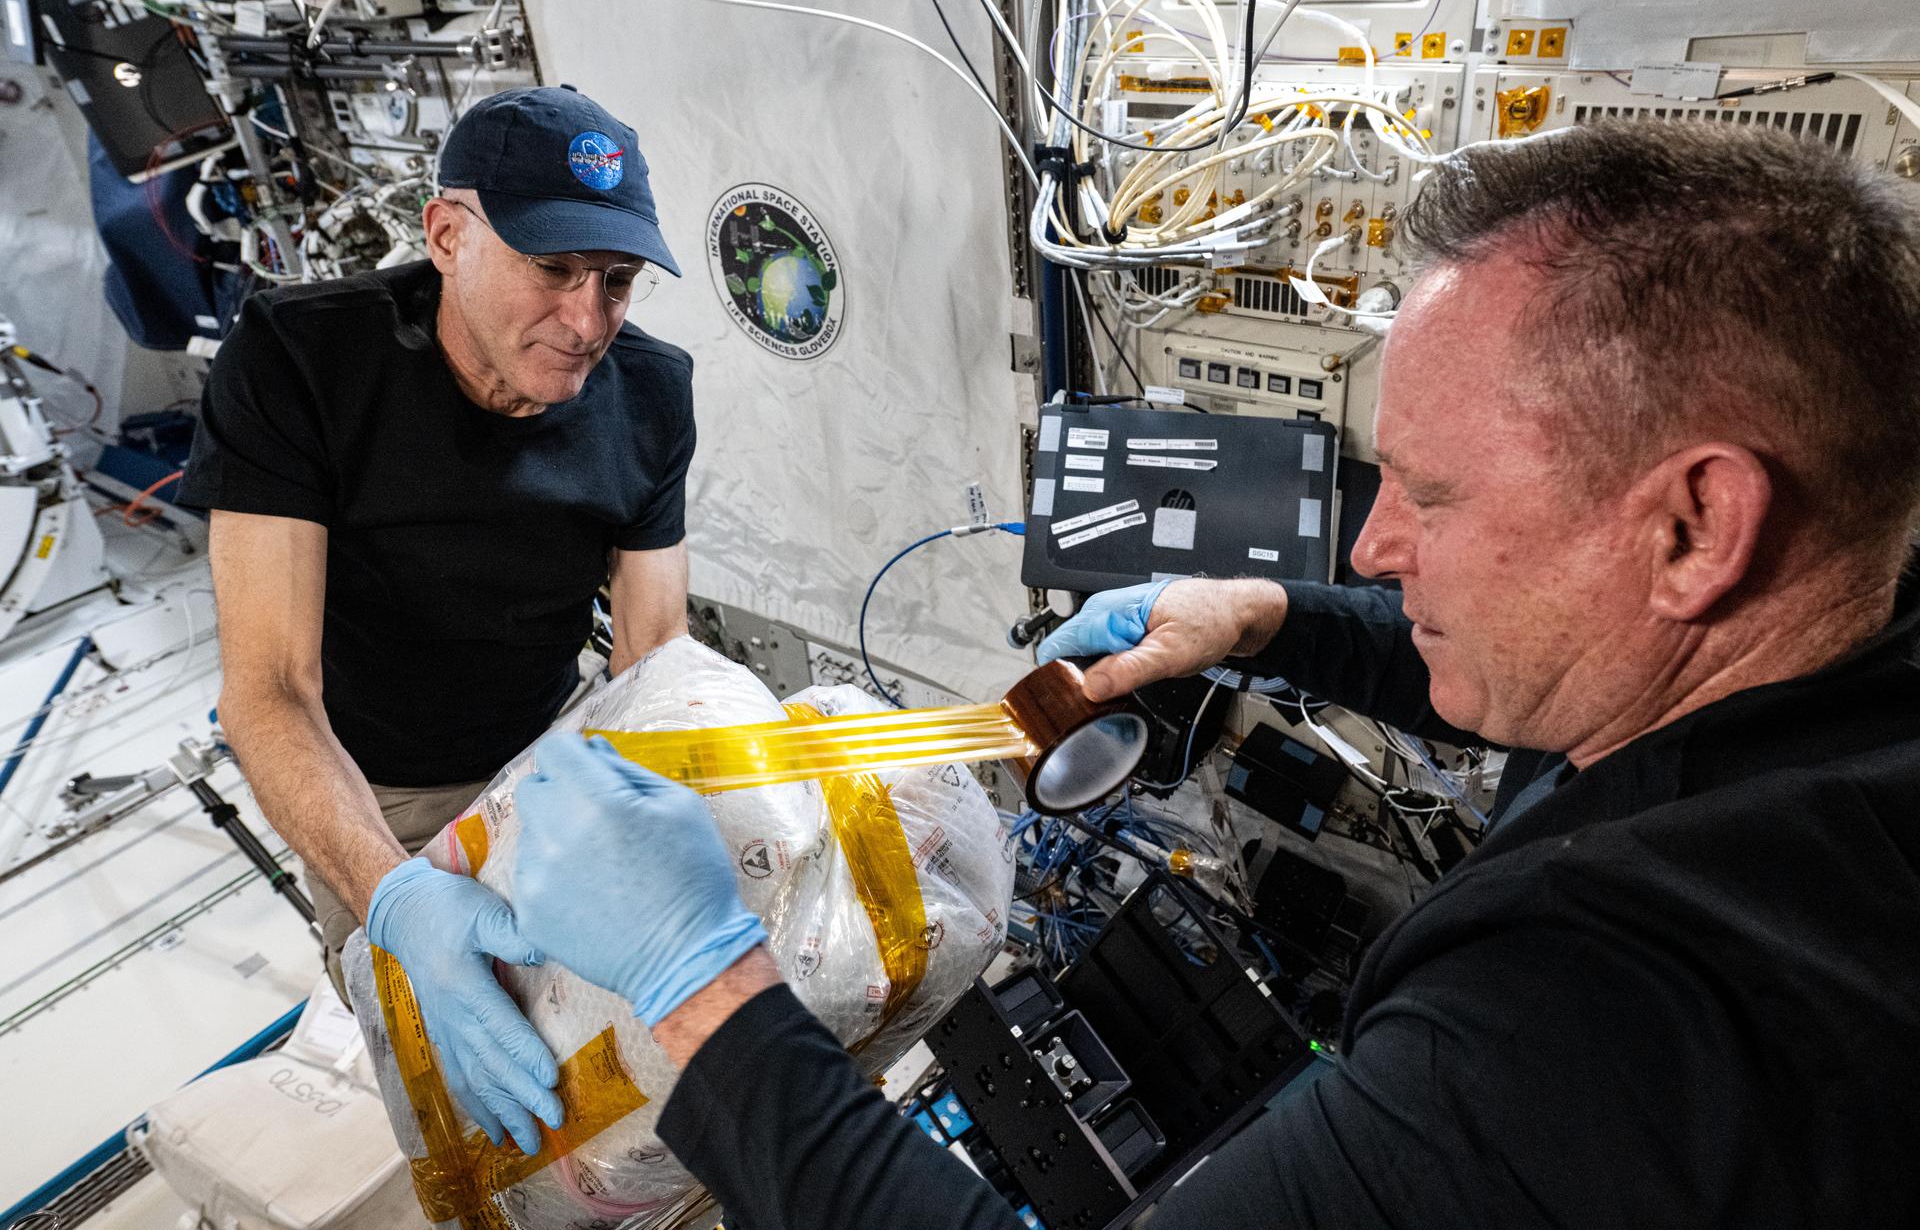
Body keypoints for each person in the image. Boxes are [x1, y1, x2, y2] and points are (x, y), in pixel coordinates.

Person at [503, 118, 1920, 1228]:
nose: (1373, 542)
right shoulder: (1833, 623)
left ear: (1694, 524)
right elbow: (1567, 653)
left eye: (1431, 495)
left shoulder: (1619, 1020)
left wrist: (701, 991)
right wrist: (1251, 614)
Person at [181, 85, 696, 1156]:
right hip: (375, 790)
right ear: (448, 234)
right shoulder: (302, 362)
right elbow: (269, 689)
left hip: (556, 754)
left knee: (620, 1081)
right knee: (473, 1108)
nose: (588, 320)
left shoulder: (651, 392)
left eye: (617, 281)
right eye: (552, 270)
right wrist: (395, 894)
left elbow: (655, 657)